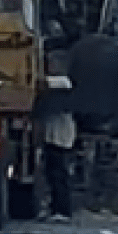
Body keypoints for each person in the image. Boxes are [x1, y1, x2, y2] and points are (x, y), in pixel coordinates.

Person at [43, 74, 76, 219]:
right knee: (55, 176)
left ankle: (61, 210)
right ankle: (57, 208)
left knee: (58, 177)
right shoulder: (62, 104)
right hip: (57, 141)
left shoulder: (61, 104)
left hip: (59, 142)